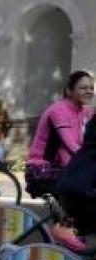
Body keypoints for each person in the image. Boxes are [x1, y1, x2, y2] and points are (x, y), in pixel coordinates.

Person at [27, 70, 95, 249]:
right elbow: (71, 147)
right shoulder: (59, 111)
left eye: (91, 88)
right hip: (41, 170)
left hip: (67, 168)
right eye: (83, 88)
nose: (89, 91)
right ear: (69, 90)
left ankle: (75, 239)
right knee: (81, 193)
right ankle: (66, 229)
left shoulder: (86, 112)